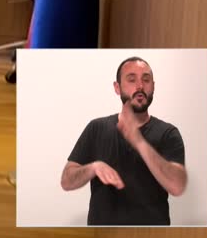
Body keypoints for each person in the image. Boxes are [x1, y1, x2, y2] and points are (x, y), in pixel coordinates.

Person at [60, 57, 187, 226]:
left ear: (153, 86)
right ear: (117, 87)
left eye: (146, 80)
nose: (140, 86)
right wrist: (93, 168)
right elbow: (67, 181)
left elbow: (177, 186)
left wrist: (138, 141)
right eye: (132, 79)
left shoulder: (168, 133)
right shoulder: (97, 128)